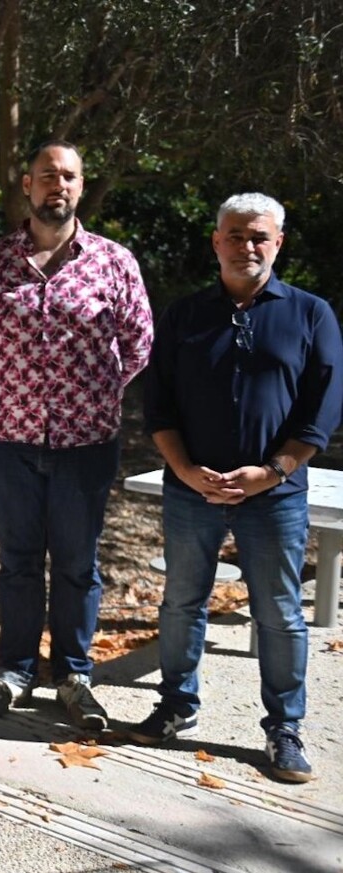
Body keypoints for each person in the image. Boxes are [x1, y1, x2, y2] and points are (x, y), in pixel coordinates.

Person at [129, 193, 342, 783]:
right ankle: (175, 706)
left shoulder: (310, 314)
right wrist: (183, 469)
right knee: (180, 603)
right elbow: (159, 404)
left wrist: (273, 472)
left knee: (278, 612)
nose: (247, 246)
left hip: (272, 494)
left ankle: (284, 730)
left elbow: (321, 412)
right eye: (235, 235)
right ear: (216, 241)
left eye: (259, 237)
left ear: (278, 243)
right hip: (192, 488)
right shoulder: (185, 315)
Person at [0, 140, 153, 729]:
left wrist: (92, 395)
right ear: (27, 185)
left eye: (67, 176)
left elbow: (139, 344)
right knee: (18, 562)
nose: (56, 185)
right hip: (9, 442)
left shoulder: (114, 263)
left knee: (76, 563)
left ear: (81, 186)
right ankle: (14, 670)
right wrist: (15, 391)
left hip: (86, 445)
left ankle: (73, 675)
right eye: (46, 176)